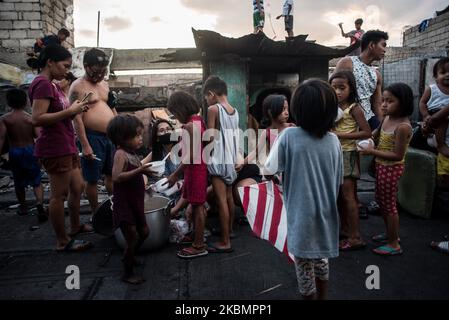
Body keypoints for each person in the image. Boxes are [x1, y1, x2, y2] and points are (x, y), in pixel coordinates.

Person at [264, 79, 343, 300]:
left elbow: (269, 169)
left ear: (299, 110)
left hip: (301, 214)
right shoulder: (334, 140)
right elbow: (338, 179)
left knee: (304, 267)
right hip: (326, 213)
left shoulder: (289, 136)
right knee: (321, 260)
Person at [29, 44, 92, 252]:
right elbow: (37, 119)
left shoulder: (53, 86)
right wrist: (70, 112)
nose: (67, 70)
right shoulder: (43, 84)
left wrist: (76, 109)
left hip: (66, 145)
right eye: (64, 66)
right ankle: (63, 240)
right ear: (50, 62)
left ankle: (74, 226)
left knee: (78, 187)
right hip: (55, 148)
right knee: (59, 196)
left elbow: (62, 114)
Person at [359, 83, 414, 256]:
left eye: (389, 101)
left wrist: (371, 151)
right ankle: (390, 234)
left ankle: (394, 243)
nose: (383, 104)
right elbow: (375, 135)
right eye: (383, 100)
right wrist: (367, 139)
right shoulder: (386, 119)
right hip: (381, 167)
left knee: (389, 206)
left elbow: (397, 155)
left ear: (403, 103)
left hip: (392, 168)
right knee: (382, 202)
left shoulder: (403, 126)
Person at [70, 48, 117, 219]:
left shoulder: (104, 84)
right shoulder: (78, 87)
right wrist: (85, 145)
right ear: (86, 66)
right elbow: (77, 118)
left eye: (103, 70)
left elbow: (111, 107)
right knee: (92, 179)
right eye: (97, 71)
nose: (100, 75)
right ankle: (96, 212)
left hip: (109, 137)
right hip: (92, 137)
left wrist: (119, 129)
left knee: (112, 174)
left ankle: (114, 207)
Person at [107, 115, 153, 284]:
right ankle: (127, 272)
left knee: (144, 232)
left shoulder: (132, 153)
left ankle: (130, 255)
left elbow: (140, 170)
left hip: (135, 202)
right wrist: (139, 172)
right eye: (137, 135)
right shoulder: (120, 154)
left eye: (141, 134)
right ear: (122, 138)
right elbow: (117, 177)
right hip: (124, 203)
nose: (141, 138)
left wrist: (146, 173)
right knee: (132, 237)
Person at [330, 71, 371, 251]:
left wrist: (339, 134)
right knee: (340, 196)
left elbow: (366, 132)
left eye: (342, 88)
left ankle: (355, 237)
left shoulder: (354, 108)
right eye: (334, 87)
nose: (338, 92)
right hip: (336, 154)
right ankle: (346, 230)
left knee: (349, 197)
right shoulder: (333, 107)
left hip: (348, 153)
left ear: (350, 88)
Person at [166, 91, 209, 259]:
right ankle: (196, 235)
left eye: (175, 113)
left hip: (195, 171)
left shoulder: (191, 125)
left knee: (198, 207)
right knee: (196, 205)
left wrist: (175, 174)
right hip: (195, 171)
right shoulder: (197, 122)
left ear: (181, 109)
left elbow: (192, 156)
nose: (176, 117)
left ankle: (199, 245)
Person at [204, 76, 239, 253]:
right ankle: (230, 231)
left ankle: (225, 241)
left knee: (221, 200)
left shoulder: (213, 109)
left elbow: (210, 137)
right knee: (229, 197)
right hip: (231, 161)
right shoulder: (235, 110)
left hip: (218, 161)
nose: (206, 101)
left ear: (211, 94)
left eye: (206, 97)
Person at [0, 88, 46, 222]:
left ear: (9, 103)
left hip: (15, 151)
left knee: (18, 182)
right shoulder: (30, 118)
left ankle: (24, 207)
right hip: (31, 150)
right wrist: (41, 155)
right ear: (26, 102)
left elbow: (1, 138)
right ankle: (39, 204)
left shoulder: (5, 119)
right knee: (36, 181)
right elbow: (39, 137)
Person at [335, 30, 389, 130]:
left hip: (368, 117)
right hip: (346, 117)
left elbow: (377, 104)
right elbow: (332, 91)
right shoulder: (347, 63)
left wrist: (380, 128)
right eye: (383, 45)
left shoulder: (377, 74)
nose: (385, 50)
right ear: (372, 45)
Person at [420, 57, 449, 157]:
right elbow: (422, 103)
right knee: (443, 119)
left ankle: (434, 139)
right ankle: (441, 145)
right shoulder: (432, 89)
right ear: (436, 76)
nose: (447, 75)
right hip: (434, 113)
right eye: (443, 72)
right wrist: (425, 115)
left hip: (445, 115)